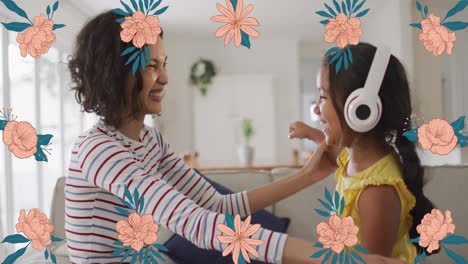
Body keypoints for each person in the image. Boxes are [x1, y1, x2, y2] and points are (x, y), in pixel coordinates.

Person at [65, 11, 407, 264]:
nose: (166, 77)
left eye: (163, 63)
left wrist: (306, 176)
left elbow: (218, 206)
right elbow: (196, 224)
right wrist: (335, 259)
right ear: (116, 72)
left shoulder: (150, 142)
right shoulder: (98, 150)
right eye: (152, 65)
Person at [289, 43, 434, 263]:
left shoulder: (377, 191)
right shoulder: (356, 158)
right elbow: (332, 153)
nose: (317, 109)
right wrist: (312, 134)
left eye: (323, 97)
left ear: (360, 108)